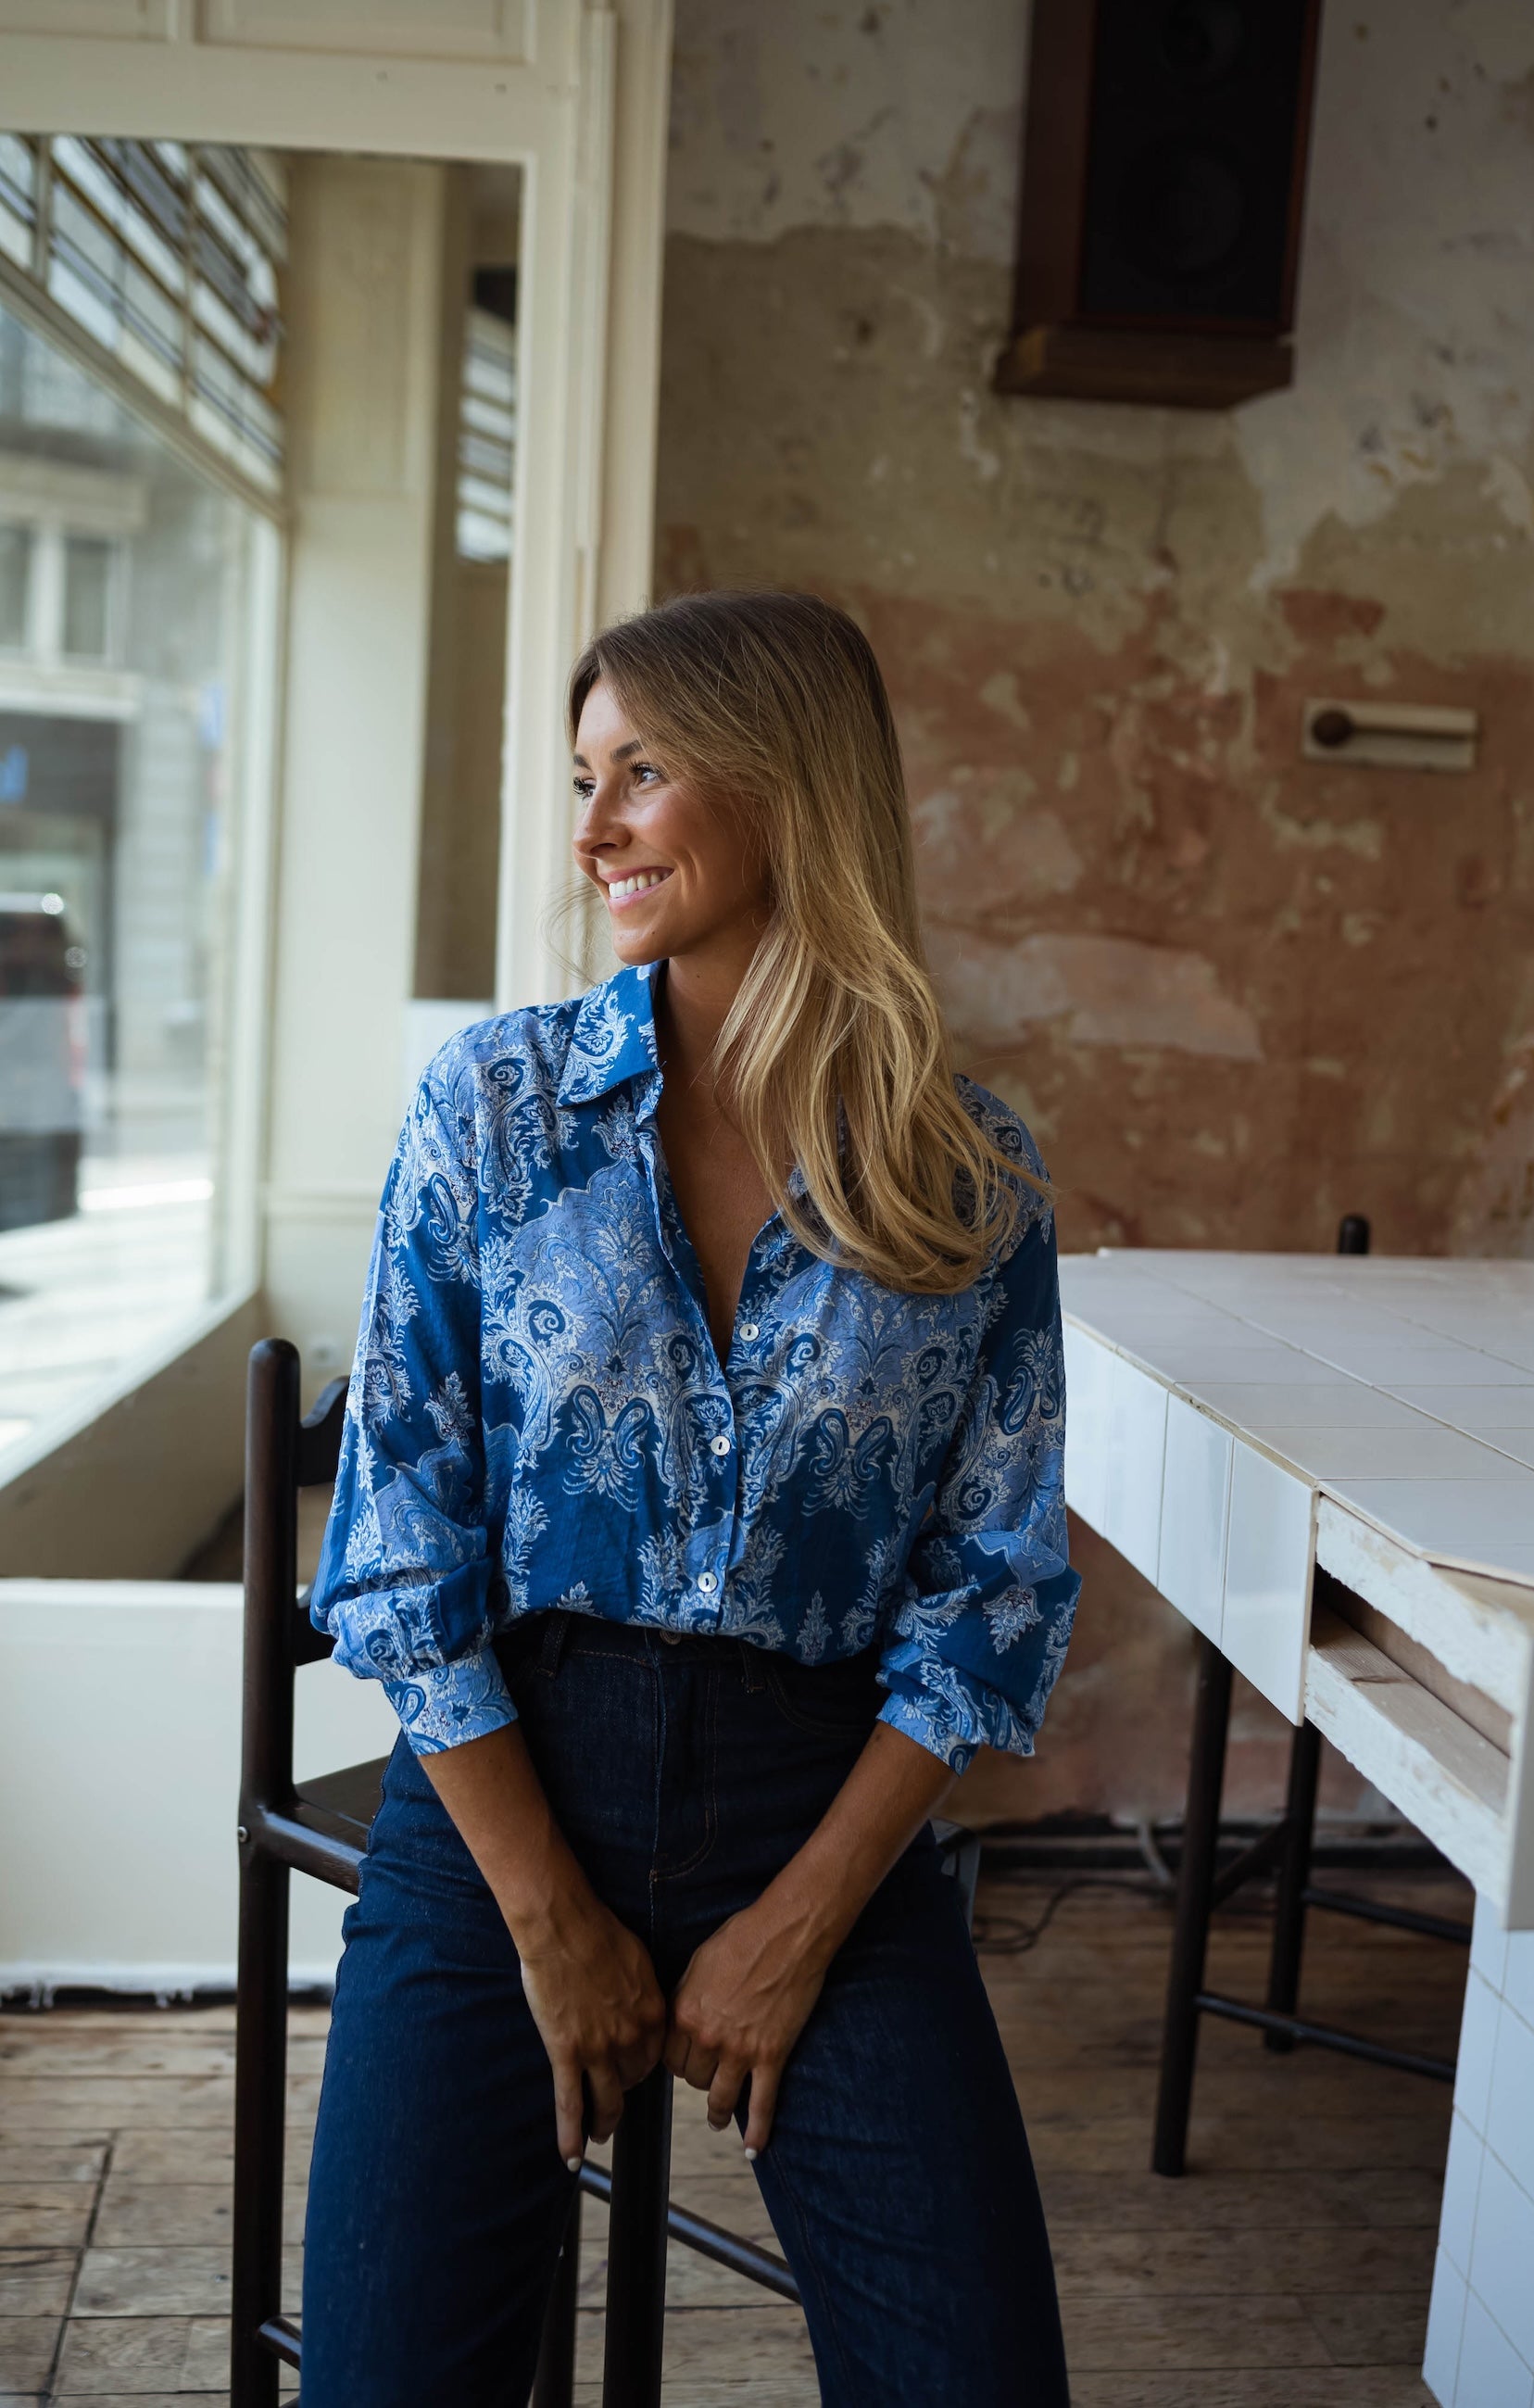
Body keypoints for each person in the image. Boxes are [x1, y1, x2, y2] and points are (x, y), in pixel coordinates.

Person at [301, 589, 1080, 2405]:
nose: (590, 835)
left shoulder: (968, 1174)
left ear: (786, 782)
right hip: (505, 1793)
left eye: (637, 774)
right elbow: (401, 1550)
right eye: (585, 781)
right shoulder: (495, 1107)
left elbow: (987, 1600)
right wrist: (548, 1918)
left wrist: (802, 1920)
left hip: (824, 1818)